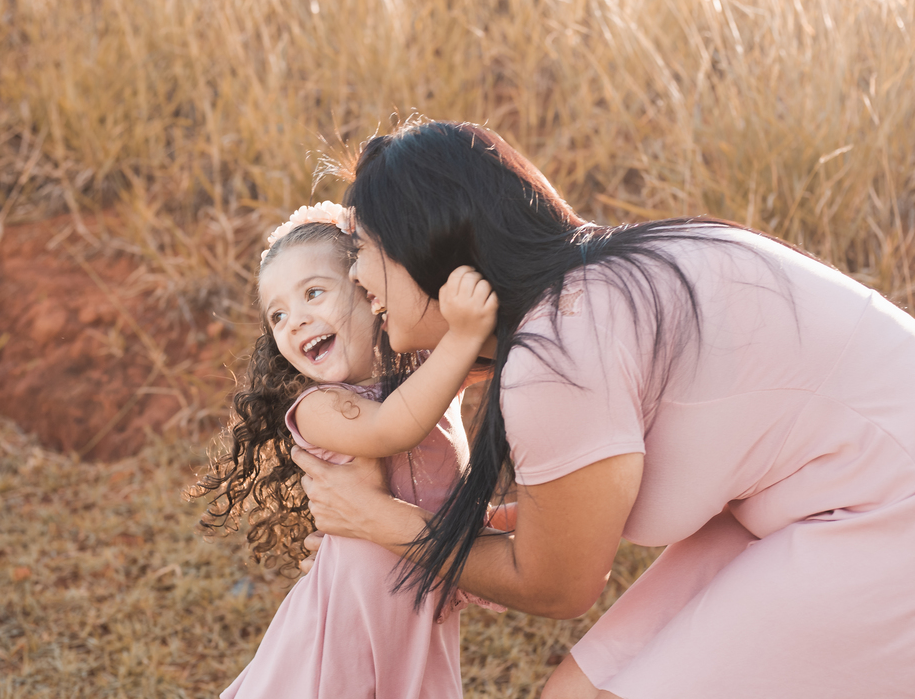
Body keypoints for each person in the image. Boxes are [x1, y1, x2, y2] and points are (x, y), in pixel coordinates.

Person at [293, 120, 915, 699]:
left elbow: (557, 584)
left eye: (366, 247)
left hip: (888, 513)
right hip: (826, 493)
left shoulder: (560, 349)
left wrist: (379, 520)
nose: (357, 273)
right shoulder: (593, 291)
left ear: (426, 241)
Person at [191, 201, 502, 699]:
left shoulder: (426, 373)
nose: (295, 321)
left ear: (371, 293)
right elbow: (392, 430)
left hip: (418, 596)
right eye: (278, 316)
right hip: (351, 617)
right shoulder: (319, 407)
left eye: (314, 293)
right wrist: (461, 335)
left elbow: (498, 349)